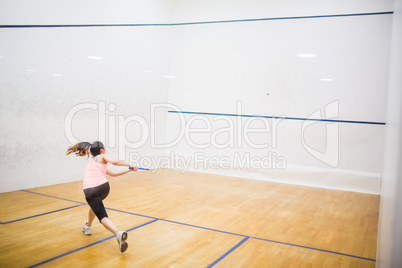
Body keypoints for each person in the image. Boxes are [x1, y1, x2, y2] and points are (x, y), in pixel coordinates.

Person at [66, 141, 138, 253]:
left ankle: (117, 233)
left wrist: (130, 169)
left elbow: (113, 171)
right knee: (95, 206)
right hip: (104, 188)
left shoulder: (92, 163)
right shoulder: (102, 156)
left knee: (103, 217)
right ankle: (88, 227)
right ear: (102, 150)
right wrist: (130, 166)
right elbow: (114, 165)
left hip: (90, 191)